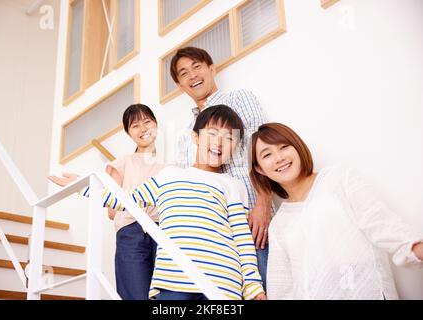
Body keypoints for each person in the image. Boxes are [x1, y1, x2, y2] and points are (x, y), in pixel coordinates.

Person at [83, 105, 266, 300]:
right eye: (212, 134)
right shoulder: (169, 175)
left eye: (229, 138)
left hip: (223, 285)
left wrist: (254, 286)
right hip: (174, 282)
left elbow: (242, 239)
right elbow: (128, 200)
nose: (219, 142)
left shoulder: (234, 185)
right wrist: (83, 186)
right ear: (195, 137)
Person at [249, 122, 423, 299]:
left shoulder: (340, 178)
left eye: (284, 147)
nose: (278, 158)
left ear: (297, 146)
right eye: (267, 154)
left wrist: (414, 247)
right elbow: (282, 290)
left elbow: (379, 223)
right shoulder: (279, 225)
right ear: (259, 169)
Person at [171, 46, 272, 286]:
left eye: (197, 66)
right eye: (184, 73)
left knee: (262, 289)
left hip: (252, 224)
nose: (192, 75)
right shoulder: (186, 134)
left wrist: (264, 202)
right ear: (179, 85)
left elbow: (262, 149)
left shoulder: (238, 99)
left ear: (211, 69)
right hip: (211, 238)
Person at [48, 104, 165, 300]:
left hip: (164, 232)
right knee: (136, 294)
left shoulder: (169, 166)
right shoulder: (121, 163)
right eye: (135, 125)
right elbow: (112, 212)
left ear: (156, 124)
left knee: (167, 296)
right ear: (128, 133)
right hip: (132, 233)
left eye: (147, 122)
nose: (143, 128)